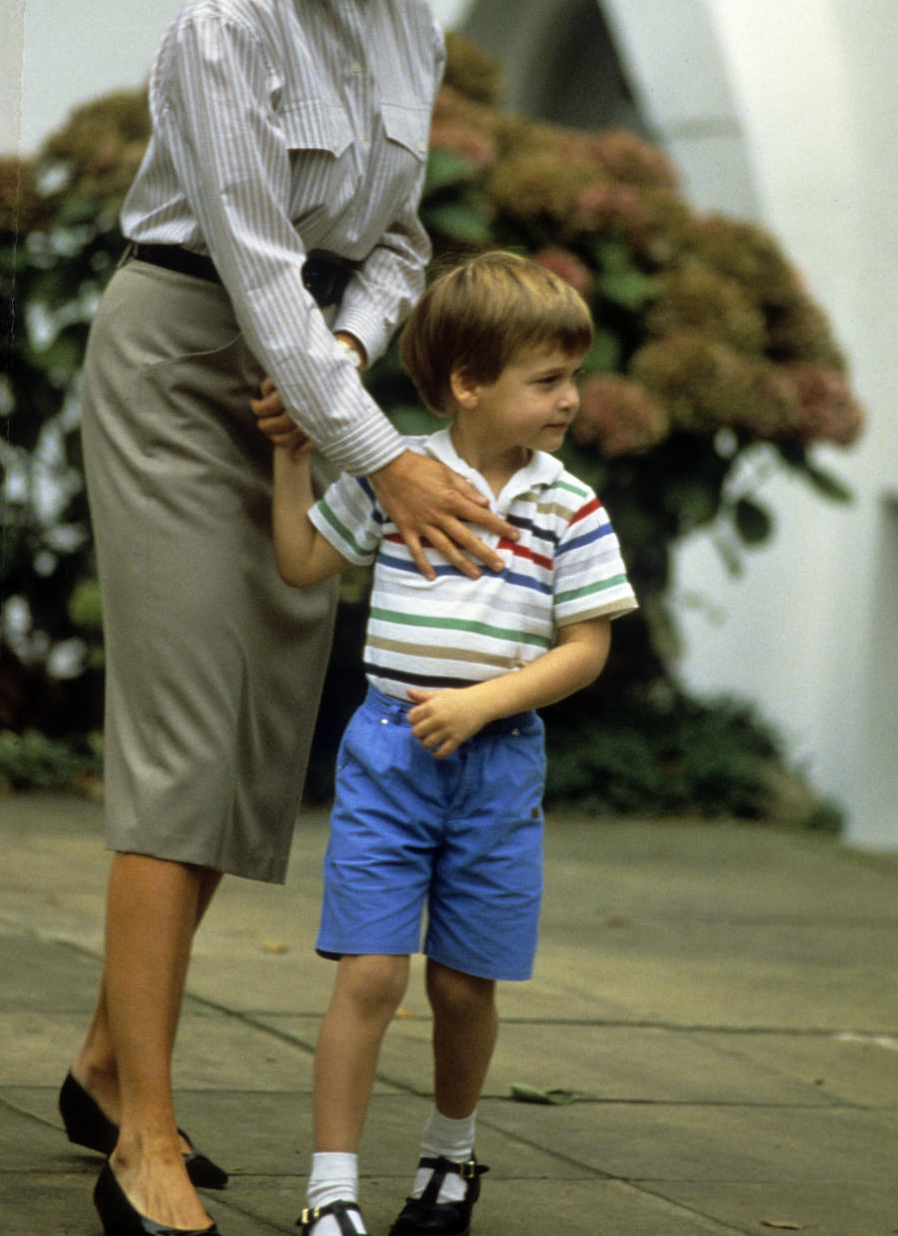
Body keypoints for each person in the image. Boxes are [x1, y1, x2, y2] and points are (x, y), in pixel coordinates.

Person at [64, 0, 516, 1236]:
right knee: (186, 744)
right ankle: (142, 1136)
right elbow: (258, 270)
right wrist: (383, 453)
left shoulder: (411, 17)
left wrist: (348, 365)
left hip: (307, 383)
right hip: (184, 357)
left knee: (254, 744)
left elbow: (392, 238)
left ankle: (94, 1060)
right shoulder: (231, 11)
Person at [262, 252, 637, 1236]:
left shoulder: (570, 506)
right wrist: (292, 456)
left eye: (572, 377)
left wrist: (485, 703)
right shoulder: (401, 475)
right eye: (546, 380)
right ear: (470, 384)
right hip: (389, 756)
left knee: (464, 982)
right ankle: (332, 1188)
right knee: (371, 973)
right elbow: (304, 562)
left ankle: (449, 1159)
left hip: (499, 760)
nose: (571, 398)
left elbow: (587, 647)